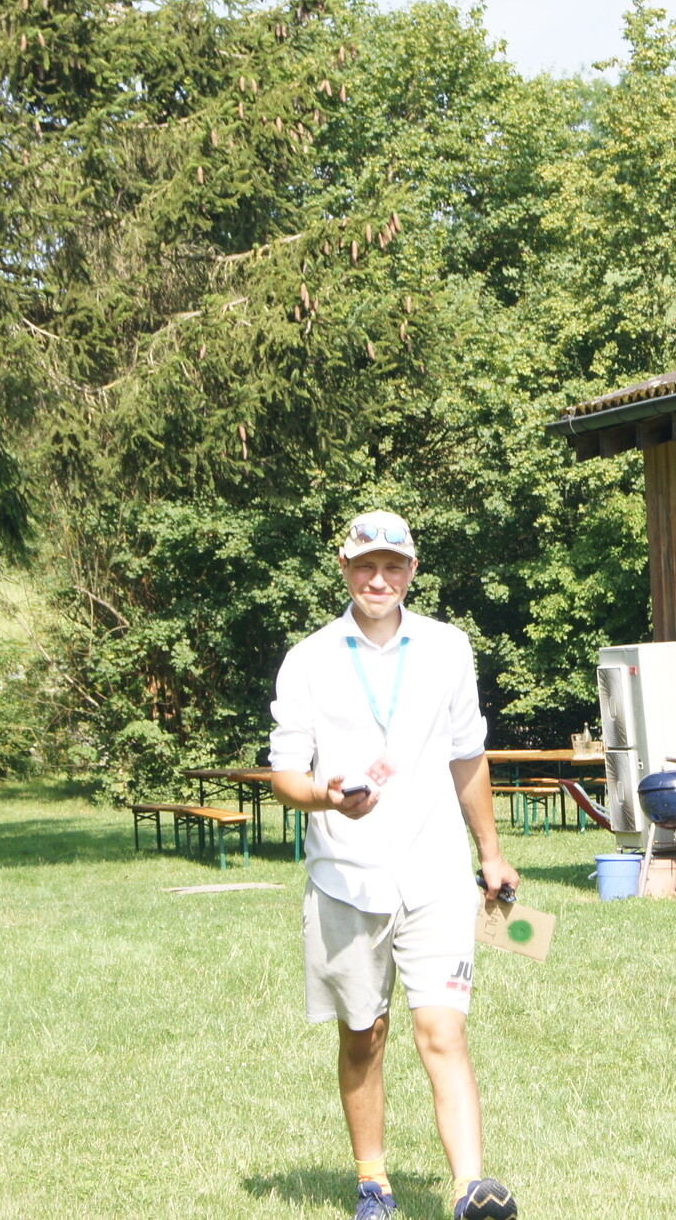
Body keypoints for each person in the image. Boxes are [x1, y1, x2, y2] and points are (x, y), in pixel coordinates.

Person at [267, 510, 521, 1220]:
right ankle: (373, 1183)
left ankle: (470, 1190)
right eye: (365, 565)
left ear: (412, 570)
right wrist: (325, 797)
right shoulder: (309, 658)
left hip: (435, 872)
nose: (378, 579)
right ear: (344, 568)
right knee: (364, 1036)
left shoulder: (448, 647)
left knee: (444, 1030)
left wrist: (491, 852)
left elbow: (467, 755)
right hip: (345, 877)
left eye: (392, 566)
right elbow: (284, 772)